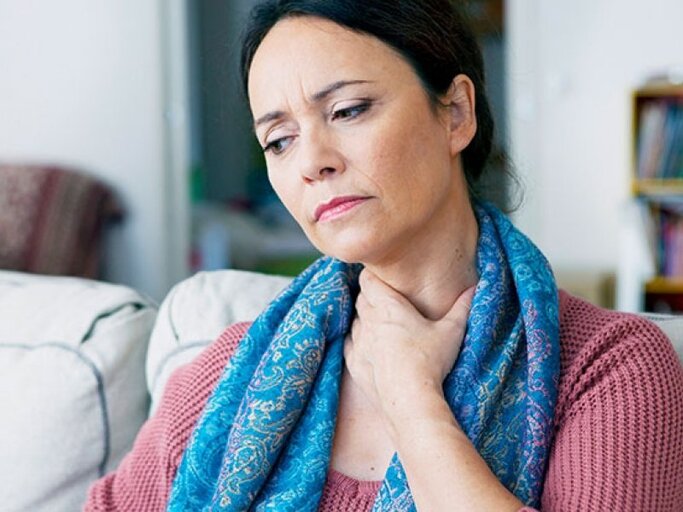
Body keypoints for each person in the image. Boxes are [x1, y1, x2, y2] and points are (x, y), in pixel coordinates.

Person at [85, 1, 683, 510]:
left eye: (347, 111)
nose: (311, 162)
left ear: (455, 114)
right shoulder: (230, 376)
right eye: (279, 140)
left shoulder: (608, 370)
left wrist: (410, 398)